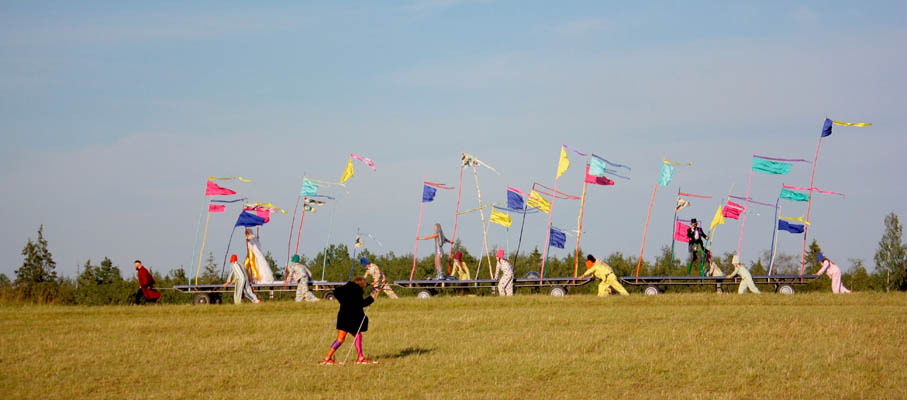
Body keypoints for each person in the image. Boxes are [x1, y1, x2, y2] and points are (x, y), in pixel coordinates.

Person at [321, 277, 378, 365]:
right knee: (357, 336)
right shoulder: (357, 292)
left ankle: (327, 358)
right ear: (360, 285)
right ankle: (360, 358)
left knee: (341, 339)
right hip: (352, 319)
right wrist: (372, 297)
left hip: (343, 317)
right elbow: (362, 303)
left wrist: (370, 284)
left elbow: (338, 291)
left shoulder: (344, 290)